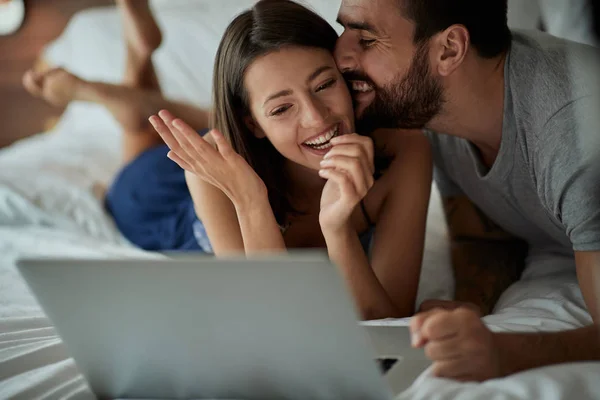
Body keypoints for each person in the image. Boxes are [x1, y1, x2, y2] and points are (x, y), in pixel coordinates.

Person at [23, 0, 433, 321]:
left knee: (182, 129)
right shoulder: (210, 175)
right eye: (281, 108)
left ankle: (139, 70)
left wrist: (337, 228)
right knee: (140, 157)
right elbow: (271, 311)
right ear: (252, 123)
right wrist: (250, 198)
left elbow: (388, 318)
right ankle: (137, 73)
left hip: (240, 145)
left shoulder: (404, 153)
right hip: (170, 194)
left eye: (324, 84)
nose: (317, 117)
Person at [334, 0, 600, 382]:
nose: (340, 55)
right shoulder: (432, 113)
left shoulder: (570, 131)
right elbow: (484, 237)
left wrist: (504, 352)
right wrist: (472, 307)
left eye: (366, 38)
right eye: (342, 30)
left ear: (449, 49)